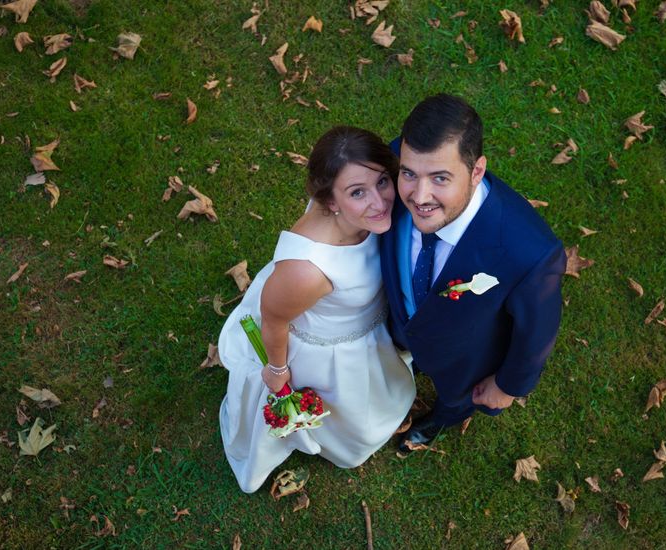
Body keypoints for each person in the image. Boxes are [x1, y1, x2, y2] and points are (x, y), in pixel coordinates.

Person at [218, 126, 416, 493]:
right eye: (358, 192)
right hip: (330, 351)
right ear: (331, 202)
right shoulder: (307, 271)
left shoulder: (365, 214)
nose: (379, 201)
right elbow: (275, 318)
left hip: (367, 330)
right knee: (354, 420)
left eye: (382, 182)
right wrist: (277, 370)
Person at [379, 94, 567, 453]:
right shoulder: (395, 164)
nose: (419, 197)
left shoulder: (529, 253)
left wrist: (508, 386)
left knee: (454, 398)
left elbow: (537, 333)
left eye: (440, 178)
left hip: (465, 361)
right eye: (409, 174)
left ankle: (439, 419)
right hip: (400, 323)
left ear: (477, 171)